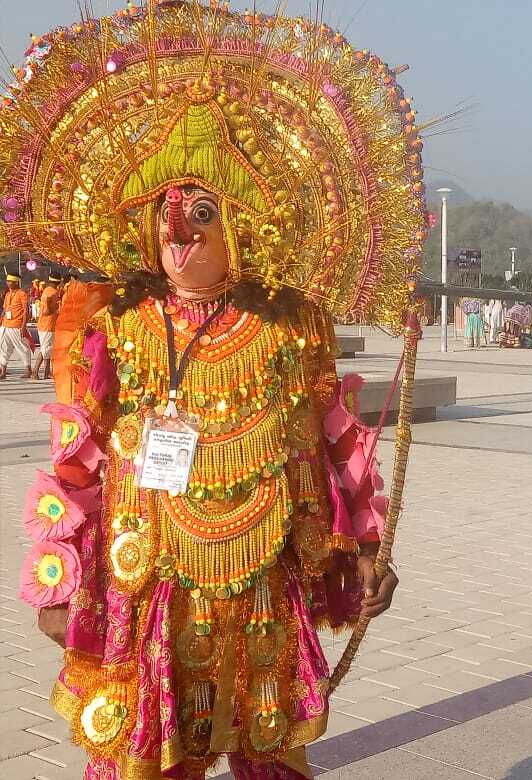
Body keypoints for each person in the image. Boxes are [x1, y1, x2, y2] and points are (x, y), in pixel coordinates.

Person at [2, 4, 428, 777]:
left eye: (202, 213)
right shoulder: (115, 321)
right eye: (165, 214)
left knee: (270, 751)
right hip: (147, 578)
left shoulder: (290, 324)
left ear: (244, 221)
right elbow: (75, 462)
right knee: (146, 759)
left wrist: (365, 550)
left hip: (266, 581)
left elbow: (338, 446)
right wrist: (56, 575)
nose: (179, 233)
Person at [0, 269, 32, 379]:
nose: (8, 283)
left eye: (10, 281)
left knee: (22, 347)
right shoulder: (8, 294)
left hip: (17, 325)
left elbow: (26, 311)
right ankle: (3, 371)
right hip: (5, 325)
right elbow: (5, 309)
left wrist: (23, 326)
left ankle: (28, 370)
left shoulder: (22, 294)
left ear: (16, 282)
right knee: (3, 347)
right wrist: (1, 320)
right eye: (7, 281)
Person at [32, 273, 61, 380]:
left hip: (46, 324)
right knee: (45, 349)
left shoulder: (47, 290)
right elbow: (46, 310)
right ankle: (35, 372)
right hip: (47, 324)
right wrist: (56, 310)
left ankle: (46, 372)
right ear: (58, 282)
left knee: (47, 349)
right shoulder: (52, 292)